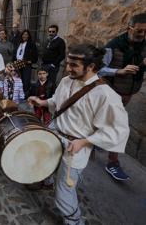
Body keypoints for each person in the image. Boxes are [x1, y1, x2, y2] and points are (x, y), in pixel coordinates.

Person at [28, 44, 129, 225]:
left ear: (90, 66)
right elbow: (58, 103)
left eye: (74, 65)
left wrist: (86, 141)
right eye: (68, 63)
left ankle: (74, 221)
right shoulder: (67, 81)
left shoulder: (105, 95)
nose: (68, 68)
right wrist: (42, 102)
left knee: (64, 194)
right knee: (46, 163)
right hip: (54, 136)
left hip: (75, 149)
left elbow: (117, 130)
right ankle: (48, 181)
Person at [99, 12, 146, 181]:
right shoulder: (113, 46)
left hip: (127, 94)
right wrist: (119, 71)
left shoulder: (144, 46)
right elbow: (98, 69)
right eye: (140, 31)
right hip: (110, 91)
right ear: (129, 28)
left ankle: (92, 142)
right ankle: (113, 162)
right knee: (119, 127)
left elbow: (138, 69)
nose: (143, 35)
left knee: (106, 122)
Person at [13, 30, 39, 94]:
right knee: (18, 80)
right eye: (23, 34)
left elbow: (35, 56)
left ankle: (25, 95)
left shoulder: (31, 44)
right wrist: (13, 61)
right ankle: (17, 93)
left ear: (29, 36)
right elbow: (14, 53)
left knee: (26, 81)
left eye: (26, 34)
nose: (24, 36)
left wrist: (31, 61)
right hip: (17, 64)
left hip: (26, 64)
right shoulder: (19, 43)